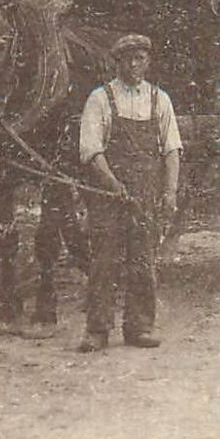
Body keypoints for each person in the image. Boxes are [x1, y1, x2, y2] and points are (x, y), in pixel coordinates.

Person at [77, 34, 182, 352]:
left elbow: (172, 150)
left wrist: (170, 192)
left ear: (147, 61)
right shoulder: (100, 98)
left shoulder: (159, 99)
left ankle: (140, 326)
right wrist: (113, 185)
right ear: (117, 62)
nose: (134, 64)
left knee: (143, 259)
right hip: (109, 193)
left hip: (146, 192)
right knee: (103, 260)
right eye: (128, 59)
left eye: (140, 58)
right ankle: (98, 329)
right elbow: (91, 150)